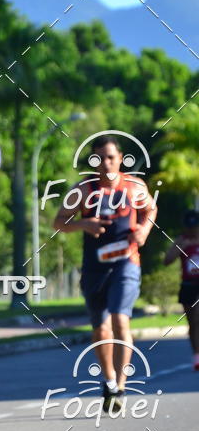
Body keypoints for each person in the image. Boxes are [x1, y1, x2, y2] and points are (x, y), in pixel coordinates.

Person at [53, 134, 156, 411]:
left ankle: (121, 385)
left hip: (126, 262)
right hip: (95, 267)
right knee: (100, 328)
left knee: (120, 320)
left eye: (111, 157)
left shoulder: (134, 186)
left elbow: (150, 209)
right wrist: (84, 224)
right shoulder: (84, 190)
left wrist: (144, 230)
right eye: (100, 158)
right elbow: (59, 222)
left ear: (120, 159)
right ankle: (109, 380)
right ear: (93, 162)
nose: (107, 163)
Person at [164, 208, 199, 370]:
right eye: (189, 227)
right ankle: (196, 355)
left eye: (195, 227)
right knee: (192, 323)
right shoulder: (181, 240)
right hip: (188, 285)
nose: (192, 230)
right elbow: (167, 261)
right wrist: (180, 248)